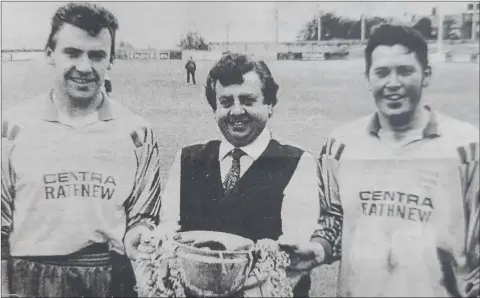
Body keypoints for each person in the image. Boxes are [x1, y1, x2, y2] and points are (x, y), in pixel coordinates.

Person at [1, 3, 161, 297]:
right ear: (50, 54)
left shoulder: (137, 132)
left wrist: (141, 235)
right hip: (27, 280)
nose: (85, 67)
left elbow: (143, 218)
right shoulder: (11, 128)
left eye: (97, 55)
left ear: (110, 60)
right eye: (72, 53)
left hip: (108, 280)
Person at [311, 24, 479, 297]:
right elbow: (332, 221)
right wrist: (318, 248)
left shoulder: (467, 147)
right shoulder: (339, 145)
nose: (393, 83)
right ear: (368, 78)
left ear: (426, 74)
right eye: (381, 72)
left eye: (405, 71)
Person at [157, 53, 325, 296]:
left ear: (270, 105)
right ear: (215, 108)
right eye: (225, 102)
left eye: (247, 100)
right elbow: (169, 236)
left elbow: (292, 263)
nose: (236, 111)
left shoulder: (297, 162)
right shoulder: (187, 160)